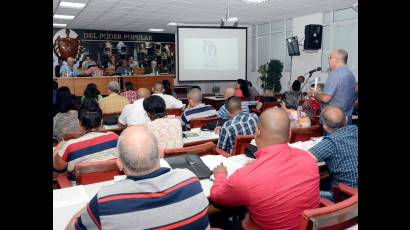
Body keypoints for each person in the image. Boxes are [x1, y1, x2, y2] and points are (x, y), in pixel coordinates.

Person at [66, 125, 210, 229]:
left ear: (119, 164)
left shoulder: (105, 201)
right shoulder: (190, 180)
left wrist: (91, 206)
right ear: (161, 153)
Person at [210, 108, 319, 229]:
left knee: (216, 221)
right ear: (289, 133)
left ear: (257, 132)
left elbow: (217, 197)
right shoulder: (309, 159)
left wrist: (220, 175)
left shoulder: (245, 178)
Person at [53, 99, 119, 179]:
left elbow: (57, 166)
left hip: (80, 189)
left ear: (79, 123)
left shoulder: (69, 146)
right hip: (111, 186)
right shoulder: (115, 138)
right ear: (101, 122)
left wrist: (61, 143)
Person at [308, 106, 358, 201]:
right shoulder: (355, 130)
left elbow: (306, 158)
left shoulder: (331, 142)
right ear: (346, 119)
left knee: (308, 196)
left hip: (347, 197)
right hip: (353, 194)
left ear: (325, 126)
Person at [308, 49, 356, 123]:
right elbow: (340, 95)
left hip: (332, 121)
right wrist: (320, 93)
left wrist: (314, 94)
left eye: (330, 58)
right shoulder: (351, 75)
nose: (329, 61)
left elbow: (326, 98)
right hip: (346, 119)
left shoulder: (335, 74)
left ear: (337, 60)